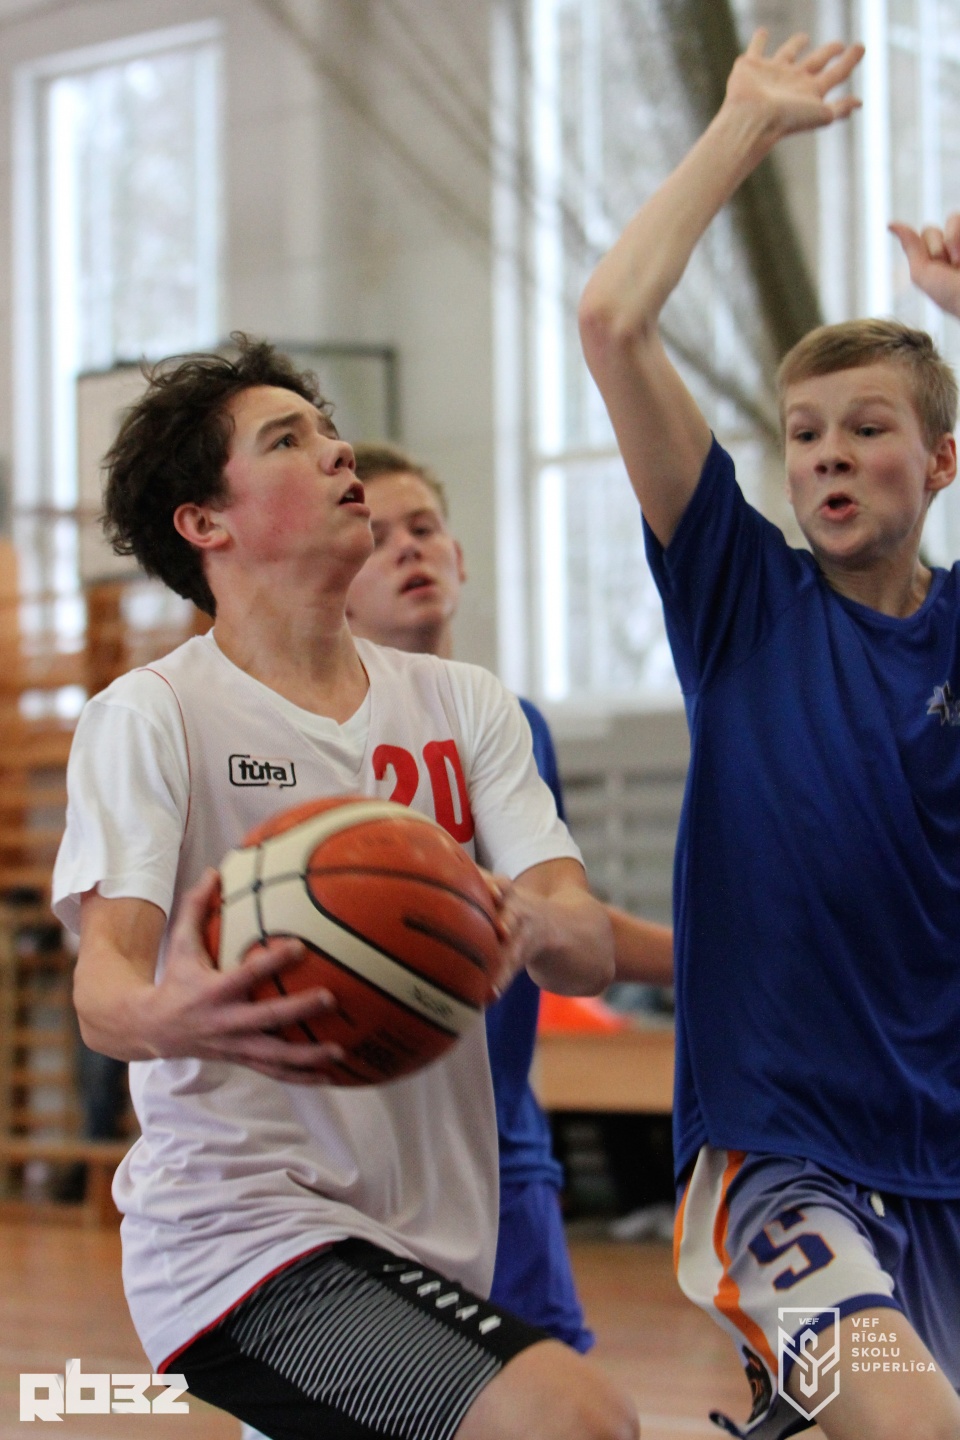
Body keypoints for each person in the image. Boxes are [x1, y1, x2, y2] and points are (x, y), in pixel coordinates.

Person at [51, 339, 639, 1440]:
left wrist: (517, 918)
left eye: (329, 430)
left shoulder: (465, 704)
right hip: (237, 1240)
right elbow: (104, 990)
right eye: (289, 440)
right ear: (205, 522)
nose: (336, 452)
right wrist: (172, 1015)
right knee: (574, 1419)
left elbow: (587, 946)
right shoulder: (151, 716)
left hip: (433, 1230)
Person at [578, 27, 960, 1440]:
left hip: (943, 1149)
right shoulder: (741, 599)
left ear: (942, 461)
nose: (830, 455)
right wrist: (742, 124)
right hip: (782, 1149)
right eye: (805, 435)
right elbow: (614, 322)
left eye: (868, 430)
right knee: (909, 1426)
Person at [343, 442, 672, 1347]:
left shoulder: (512, 724)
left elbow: (559, 918)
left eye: (424, 528)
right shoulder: (311, 733)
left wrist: (721, 957)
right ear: (338, 582)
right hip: (361, 1150)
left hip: (499, 1136)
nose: (409, 548)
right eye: (377, 538)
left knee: (563, 1393)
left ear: (459, 557)